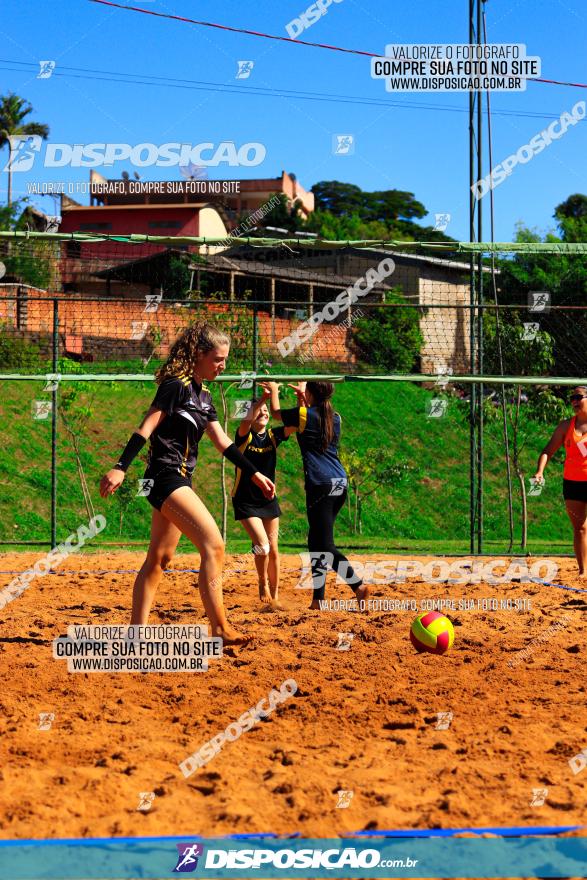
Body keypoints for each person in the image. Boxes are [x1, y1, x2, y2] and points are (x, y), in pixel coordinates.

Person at [99, 323, 275, 643]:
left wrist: (253, 472)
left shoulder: (204, 396)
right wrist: (120, 467)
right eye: (218, 359)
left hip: (180, 479)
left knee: (159, 559)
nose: (223, 366)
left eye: (225, 360)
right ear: (199, 355)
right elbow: (146, 427)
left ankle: (136, 634)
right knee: (214, 545)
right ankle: (220, 628)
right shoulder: (176, 386)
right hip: (164, 476)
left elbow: (224, 443)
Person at [263, 379, 368, 610]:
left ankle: (358, 586)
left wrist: (273, 390)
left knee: (325, 545)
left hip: (320, 484)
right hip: (339, 483)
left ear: (311, 393)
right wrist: (303, 396)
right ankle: (318, 600)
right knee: (316, 542)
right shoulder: (336, 417)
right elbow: (306, 424)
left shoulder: (305, 415)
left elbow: (277, 413)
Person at [232, 390, 294, 605]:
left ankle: (275, 597)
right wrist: (263, 399)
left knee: (274, 549)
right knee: (262, 545)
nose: (264, 414)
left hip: (268, 499)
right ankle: (262, 583)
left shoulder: (273, 436)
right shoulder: (243, 436)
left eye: (266, 412)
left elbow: (295, 424)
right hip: (245, 499)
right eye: (260, 412)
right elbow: (246, 419)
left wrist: (303, 399)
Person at [534, 386, 587, 576]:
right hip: (572, 482)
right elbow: (548, 450)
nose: (574, 400)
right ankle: (583, 572)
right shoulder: (566, 426)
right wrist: (540, 471)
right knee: (579, 528)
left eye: (578, 397)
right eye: (571, 397)